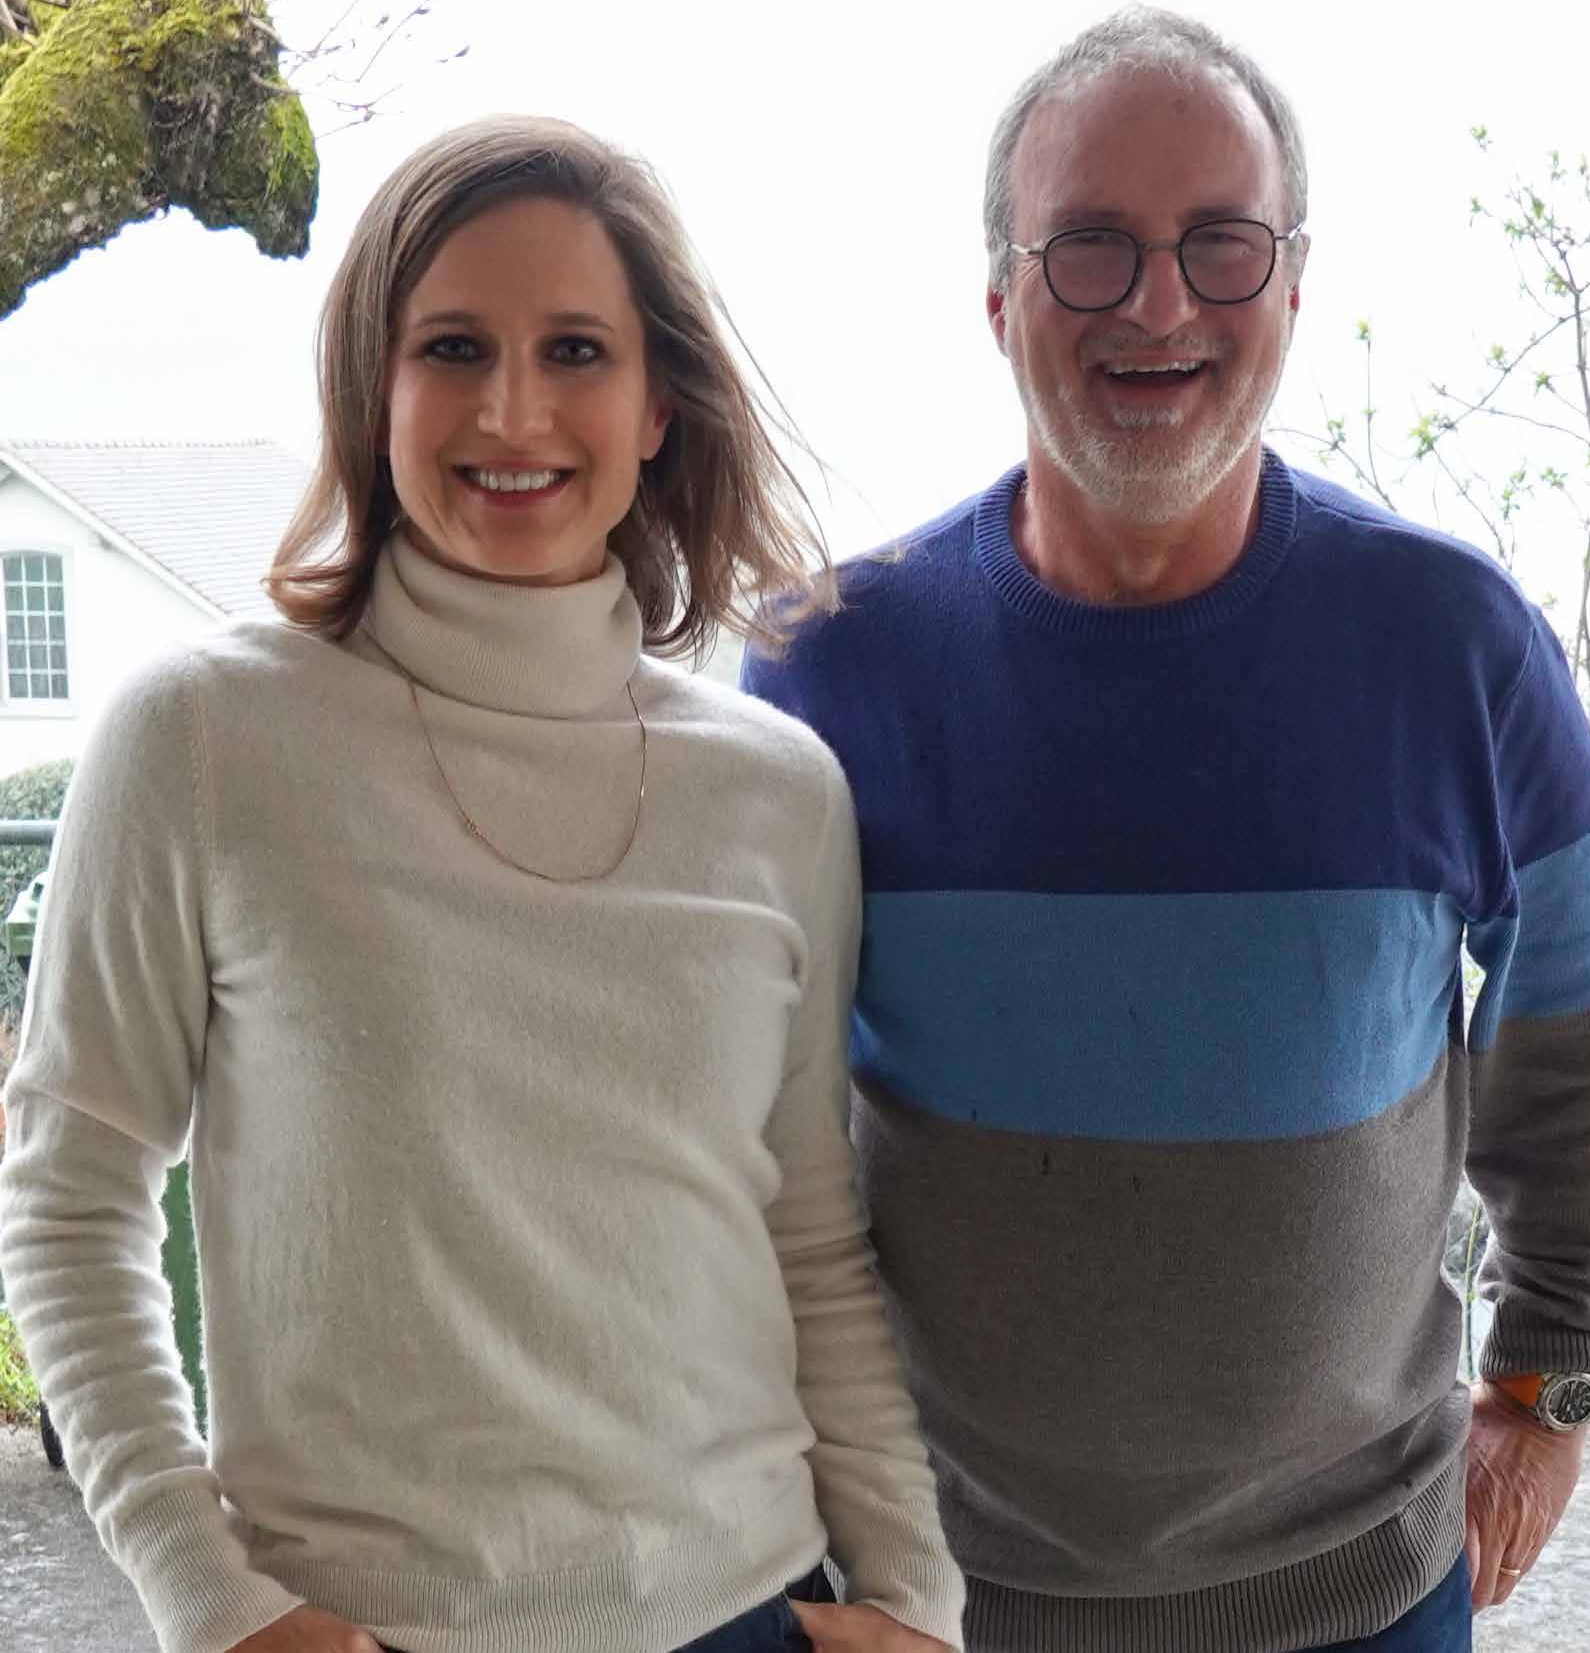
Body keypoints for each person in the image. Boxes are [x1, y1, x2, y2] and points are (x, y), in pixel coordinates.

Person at [742, 9, 1590, 1653]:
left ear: (1294, 287)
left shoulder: (1450, 647)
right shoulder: (831, 670)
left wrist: (1550, 1390)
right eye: (1091, 245)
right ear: (1000, 298)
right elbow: (736, 1137)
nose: (1160, 304)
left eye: (1221, 245)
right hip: (932, 1598)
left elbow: (1587, 1044)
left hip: (1359, 1597)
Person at [0, 118, 964, 1653]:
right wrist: (208, 1599)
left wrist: (916, 1595)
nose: (514, 411)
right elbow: (69, 1201)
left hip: (747, 1610)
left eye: (577, 350)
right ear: (371, 392)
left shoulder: (776, 793)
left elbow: (807, 1234)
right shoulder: (202, 739)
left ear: (656, 406)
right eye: (452, 348)